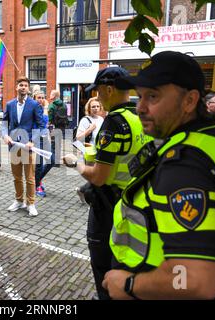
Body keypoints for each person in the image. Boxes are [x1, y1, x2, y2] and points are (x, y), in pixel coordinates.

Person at [103, 51, 215, 300]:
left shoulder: (184, 165)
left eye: (153, 96)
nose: (140, 107)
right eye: (139, 96)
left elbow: (197, 279)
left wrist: (130, 284)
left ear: (189, 101)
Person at [62, 66, 151, 300]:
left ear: (109, 89)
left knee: (101, 259)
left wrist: (76, 163)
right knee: (122, 256)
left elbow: (99, 176)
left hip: (108, 203)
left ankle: (105, 295)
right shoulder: (138, 116)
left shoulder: (114, 123)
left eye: (99, 92)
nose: (97, 97)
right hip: (133, 202)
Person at [2, 76, 45, 217]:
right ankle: (19, 200)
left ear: (28, 88)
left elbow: (41, 125)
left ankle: (31, 203)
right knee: (16, 177)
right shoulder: (9, 104)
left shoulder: (34, 105)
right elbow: (4, 123)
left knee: (30, 177)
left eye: (25, 85)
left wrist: (33, 140)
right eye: (21, 85)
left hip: (28, 147)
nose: (23, 87)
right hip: (14, 146)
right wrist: (5, 135)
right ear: (17, 87)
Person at [34, 91, 54, 197]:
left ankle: (36, 180)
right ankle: (37, 185)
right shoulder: (34, 110)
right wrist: (46, 108)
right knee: (39, 164)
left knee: (52, 160)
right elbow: (43, 122)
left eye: (42, 97)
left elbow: (46, 125)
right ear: (34, 98)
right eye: (38, 97)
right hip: (37, 138)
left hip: (45, 138)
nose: (41, 99)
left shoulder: (42, 109)